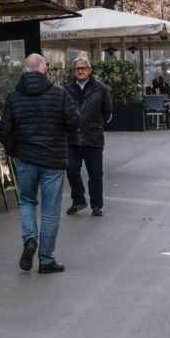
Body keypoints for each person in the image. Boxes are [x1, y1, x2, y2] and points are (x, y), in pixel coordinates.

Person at [0, 53, 78, 274]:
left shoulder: (14, 96)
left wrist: (15, 150)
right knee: (50, 211)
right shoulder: (59, 95)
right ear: (45, 69)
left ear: (26, 70)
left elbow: (5, 130)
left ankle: (30, 239)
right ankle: (46, 260)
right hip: (53, 160)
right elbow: (74, 122)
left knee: (26, 201)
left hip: (26, 158)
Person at [65, 56, 111, 217]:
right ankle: (78, 200)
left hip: (93, 138)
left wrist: (96, 126)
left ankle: (96, 205)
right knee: (71, 170)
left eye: (84, 68)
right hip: (72, 139)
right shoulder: (66, 89)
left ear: (90, 70)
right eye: (78, 68)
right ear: (74, 71)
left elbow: (107, 113)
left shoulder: (101, 89)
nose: (81, 71)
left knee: (95, 173)